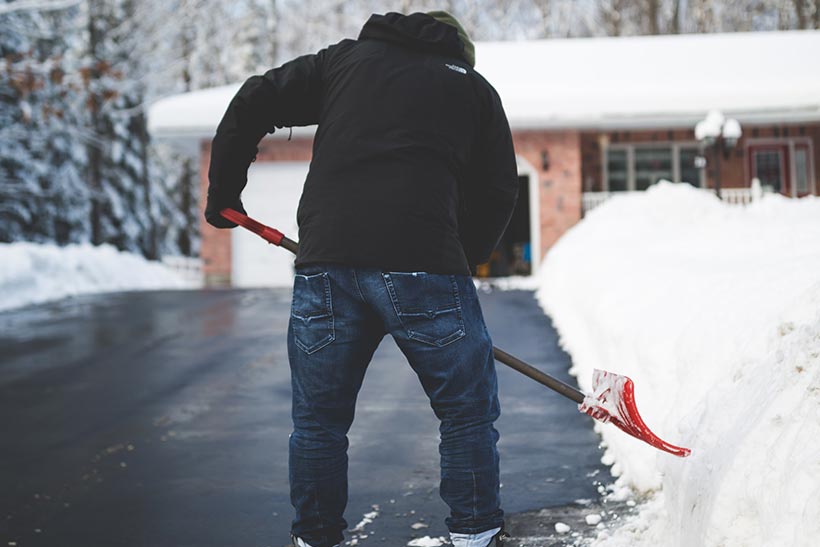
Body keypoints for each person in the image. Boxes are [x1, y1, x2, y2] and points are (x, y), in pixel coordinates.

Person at [204, 11, 519, 547]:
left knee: (318, 422)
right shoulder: (473, 89)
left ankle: (315, 538)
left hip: (327, 262)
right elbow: (497, 190)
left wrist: (223, 191)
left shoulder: (343, 62)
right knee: (466, 413)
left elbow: (255, 97)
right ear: (459, 52)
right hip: (424, 260)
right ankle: (474, 534)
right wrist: (458, 259)